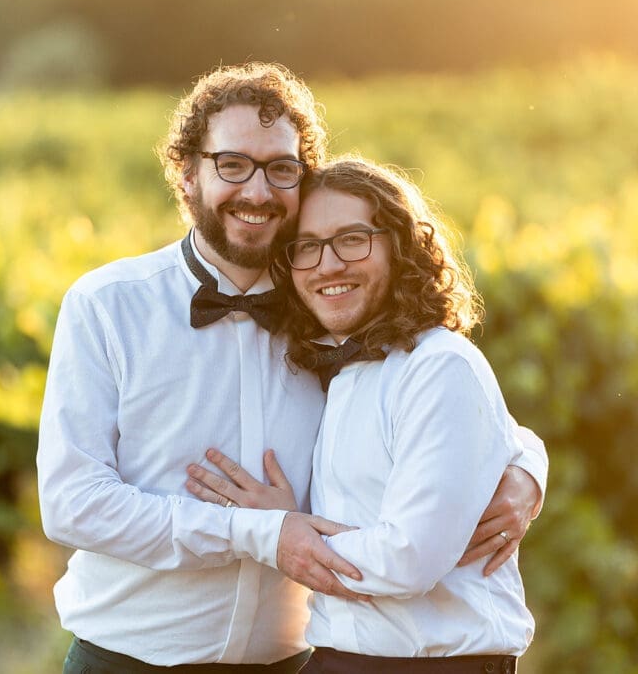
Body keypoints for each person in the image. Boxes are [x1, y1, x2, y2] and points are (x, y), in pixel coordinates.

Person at [37, 62, 546, 673]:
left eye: (280, 169)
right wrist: (261, 532)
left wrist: (525, 470)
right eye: (232, 165)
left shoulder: (330, 307)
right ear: (187, 174)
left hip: (291, 663)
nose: (256, 192)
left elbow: (454, 409)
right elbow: (72, 502)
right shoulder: (107, 305)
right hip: (125, 661)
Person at [190, 157, 534, 673]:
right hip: (339, 659)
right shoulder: (330, 369)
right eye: (306, 247)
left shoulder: (439, 366)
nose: (328, 264)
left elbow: (409, 557)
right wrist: (531, 466)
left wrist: (288, 534)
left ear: (399, 247)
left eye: (352, 239)